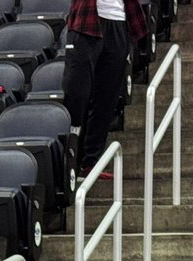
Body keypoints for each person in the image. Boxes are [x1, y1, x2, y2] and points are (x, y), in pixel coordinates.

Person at [62, 0, 150, 180]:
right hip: (86, 23)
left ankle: (91, 163)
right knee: (77, 93)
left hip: (118, 22)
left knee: (106, 98)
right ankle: (69, 161)